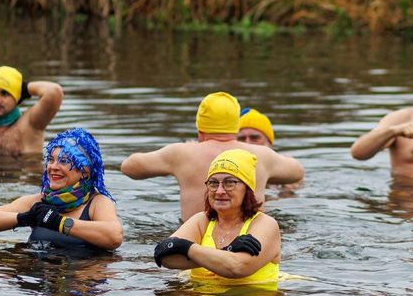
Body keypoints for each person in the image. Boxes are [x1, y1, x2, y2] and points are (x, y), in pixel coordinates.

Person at [120, 92, 304, 222]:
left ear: (200, 131)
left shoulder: (181, 153)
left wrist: (184, 151)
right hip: (249, 243)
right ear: (235, 127)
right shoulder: (261, 155)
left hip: (196, 240)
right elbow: (297, 172)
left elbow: (128, 167)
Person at [0, 128, 122, 254]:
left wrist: (59, 223)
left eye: (63, 161)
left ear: (85, 171)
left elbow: (114, 236)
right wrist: (25, 218)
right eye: (51, 160)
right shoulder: (38, 202)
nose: (53, 167)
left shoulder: (97, 203)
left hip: (80, 280)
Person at [152, 149, 281, 288]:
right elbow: (165, 258)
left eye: (229, 183)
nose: (219, 191)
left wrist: (183, 248)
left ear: (247, 189)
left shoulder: (265, 224)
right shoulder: (202, 221)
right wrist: (226, 252)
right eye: (213, 183)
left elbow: (238, 267)